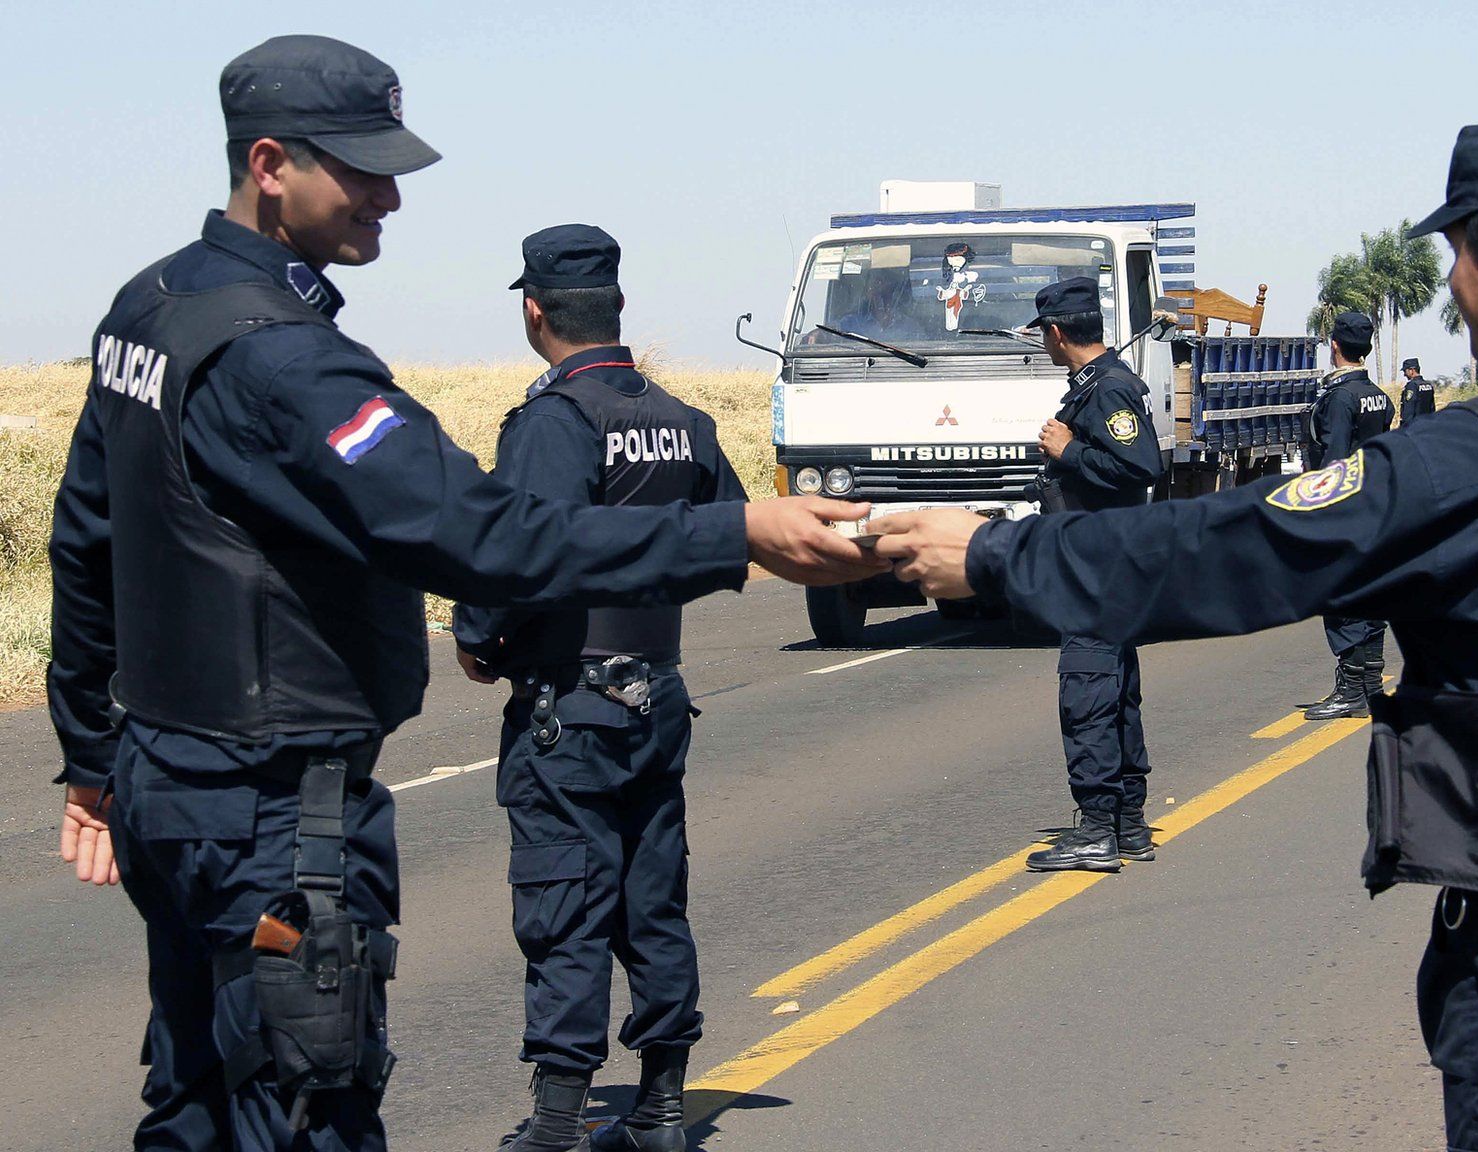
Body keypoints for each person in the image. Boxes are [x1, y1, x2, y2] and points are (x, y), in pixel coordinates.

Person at [873, 110, 1478, 1151]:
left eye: (1451, 258)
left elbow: (1228, 552)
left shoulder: (1471, 461)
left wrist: (996, 555)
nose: (1448, 289)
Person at [46, 37, 882, 1152]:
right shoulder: (290, 362)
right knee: (308, 1106)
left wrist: (93, 763)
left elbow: (85, 537)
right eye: (360, 169)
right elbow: (479, 536)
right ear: (267, 165)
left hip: (169, 782)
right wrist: (735, 527)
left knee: (198, 1094)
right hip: (274, 808)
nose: (389, 197)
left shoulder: (150, 307)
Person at [451, 226, 746, 1151]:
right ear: (618, 307)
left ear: (534, 310)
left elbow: (514, 559)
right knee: (651, 900)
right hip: (657, 695)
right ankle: (663, 1106)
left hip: (569, 708)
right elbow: (730, 538)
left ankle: (557, 1122)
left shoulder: (553, 424)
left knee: (566, 903)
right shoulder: (683, 421)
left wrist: (477, 639)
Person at [1024, 276, 1165, 872]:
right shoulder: (1097, 386)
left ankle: (1098, 828)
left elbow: (1140, 468)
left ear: (1058, 332)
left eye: (1044, 335)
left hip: (1097, 568)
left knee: (1086, 692)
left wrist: (1067, 452)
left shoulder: (1107, 389)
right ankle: (1127, 821)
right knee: (1114, 692)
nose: (1043, 344)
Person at [1303, 312, 1394, 721]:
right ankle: (1371, 686)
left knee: (1340, 598)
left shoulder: (1339, 398)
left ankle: (1352, 689)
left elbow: (1334, 459)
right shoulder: (1378, 395)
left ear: (1334, 346)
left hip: (1345, 508)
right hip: (1376, 505)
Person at [1398, 357, 1435, 425]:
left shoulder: (1412, 386)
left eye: (1405, 371)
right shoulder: (1429, 385)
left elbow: (1408, 410)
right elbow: (1432, 408)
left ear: (1411, 370)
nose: (1404, 374)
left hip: (1414, 427)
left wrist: (1404, 428)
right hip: (1427, 425)